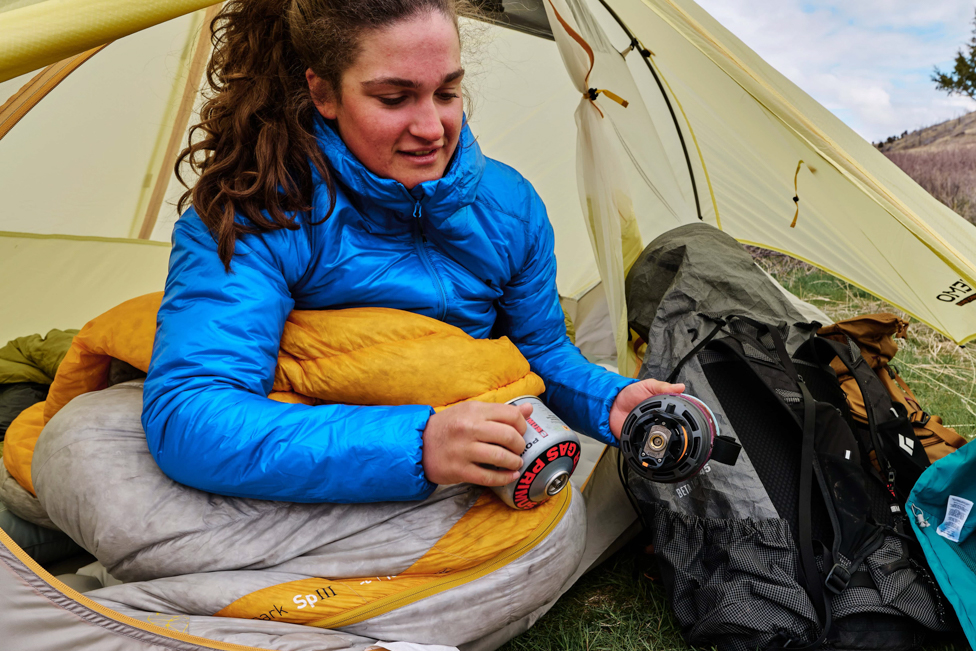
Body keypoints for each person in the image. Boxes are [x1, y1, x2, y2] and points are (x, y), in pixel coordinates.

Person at [142, 0, 681, 504]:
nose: (431, 129)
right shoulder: (256, 211)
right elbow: (189, 413)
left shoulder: (510, 208)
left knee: (549, 533)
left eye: (446, 93)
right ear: (324, 94)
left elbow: (541, 353)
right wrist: (419, 443)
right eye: (393, 98)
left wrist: (608, 399)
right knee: (104, 468)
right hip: (340, 438)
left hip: (451, 446)